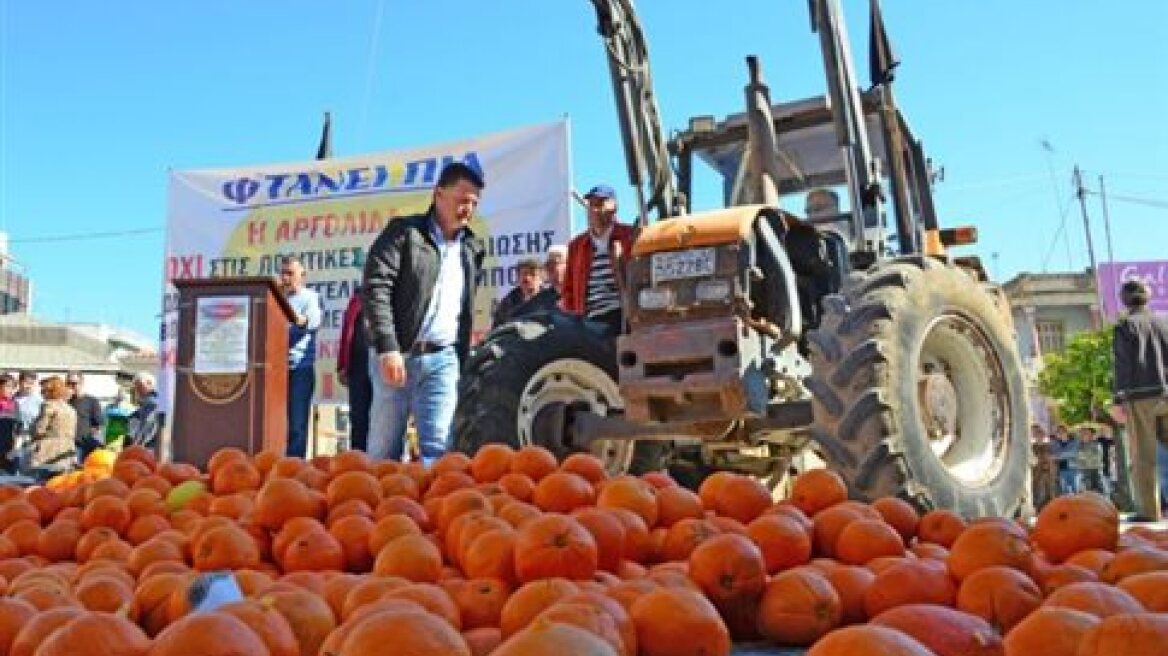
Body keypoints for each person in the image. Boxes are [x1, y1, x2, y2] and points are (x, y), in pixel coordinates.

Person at [361, 162, 486, 464]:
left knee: (439, 450)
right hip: (398, 354)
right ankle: (382, 509)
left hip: (443, 359)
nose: (467, 208)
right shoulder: (405, 233)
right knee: (384, 452)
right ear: (438, 194)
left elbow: (464, 307)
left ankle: (434, 511)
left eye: (473, 202)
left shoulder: (473, 247)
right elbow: (376, 287)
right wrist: (387, 347)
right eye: (461, 199)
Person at [1112, 279, 1168, 520]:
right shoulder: (1164, 323)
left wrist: (1118, 396)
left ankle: (1148, 511)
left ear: (1125, 299)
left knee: (1143, 456)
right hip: (1166, 392)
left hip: (1140, 395)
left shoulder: (1126, 326)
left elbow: (1123, 364)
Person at [563, 184, 634, 336]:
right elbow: (568, 289)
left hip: (621, 314)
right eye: (591, 205)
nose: (594, 210)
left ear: (614, 207)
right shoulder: (577, 246)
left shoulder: (630, 236)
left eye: (600, 204)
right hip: (589, 319)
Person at [280, 255, 323, 459]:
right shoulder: (275, 297)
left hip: (299, 370)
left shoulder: (309, 297)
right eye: (283, 273)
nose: (285, 278)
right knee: (275, 422)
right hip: (274, 371)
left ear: (302, 276)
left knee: (297, 424)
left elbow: (312, 321)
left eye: (290, 274)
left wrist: (296, 318)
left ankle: (294, 467)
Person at [337, 290, 372, 452]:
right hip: (357, 367)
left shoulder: (394, 293)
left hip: (382, 364)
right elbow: (347, 333)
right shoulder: (357, 298)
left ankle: (384, 465)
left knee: (383, 420)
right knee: (358, 417)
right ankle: (358, 462)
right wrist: (342, 365)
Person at [30, 376, 77, 476]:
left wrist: (32, 427)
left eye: (43, 391)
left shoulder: (48, 405)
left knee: (43, 485)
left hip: (49, 451)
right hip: (67, 451)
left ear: (51, 391)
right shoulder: (70, 408)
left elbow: (39, 430)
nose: (41, 393)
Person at [492, 257, 555, 328]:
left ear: (542, 279)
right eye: (524, 274)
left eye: (533, 274)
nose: (527, 278)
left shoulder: (551, 300)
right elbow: (496, 330)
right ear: (518, 278)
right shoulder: (508, 303)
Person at [65, 371, 103, 462]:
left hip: (83, 445)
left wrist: (87, 439)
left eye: (73, 383)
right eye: (68, 383)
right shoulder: (65, 402)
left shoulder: (92, 401)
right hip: (66, 445)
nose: (70, 386)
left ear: (82, 383)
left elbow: (97, 425)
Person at [127, 372, 164, 448]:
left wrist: (137, 444)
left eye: (139, 385)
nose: (137, 389)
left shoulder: (151, 402)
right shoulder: (157, 400)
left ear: (150, 383)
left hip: (149, 447)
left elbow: (146, 425)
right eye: (136, 386)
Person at [1076, 425, 1110, 497]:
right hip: (1085, 471)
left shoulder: (1096, 444)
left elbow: (1097, 457)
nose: (1083, 436)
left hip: (1096, 470)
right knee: (1085, 491)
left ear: (1091, 435)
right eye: (1082, 434)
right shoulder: (1079, 446)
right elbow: (1079, 459)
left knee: (1101, 491)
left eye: (1086, 434)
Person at [1049, 424, 1080, 495]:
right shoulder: (1055, 444)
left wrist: (1058, 456)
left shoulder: (1074, 442)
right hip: (1062, 471)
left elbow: (1073, 453)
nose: (1060, 433)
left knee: (1076, 492)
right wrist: (1059, 456)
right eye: (1058, 432)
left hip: (1074, 470)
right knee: (1064, 493)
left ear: (1067, 432)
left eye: (1062, 432)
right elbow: (1053, 455)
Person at [0, 375, 17, 473]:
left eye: (13, 387)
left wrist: (15, 449)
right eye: (8, 386)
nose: (11, 390)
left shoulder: (15, 404)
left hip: (9, 450)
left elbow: (19, 428)